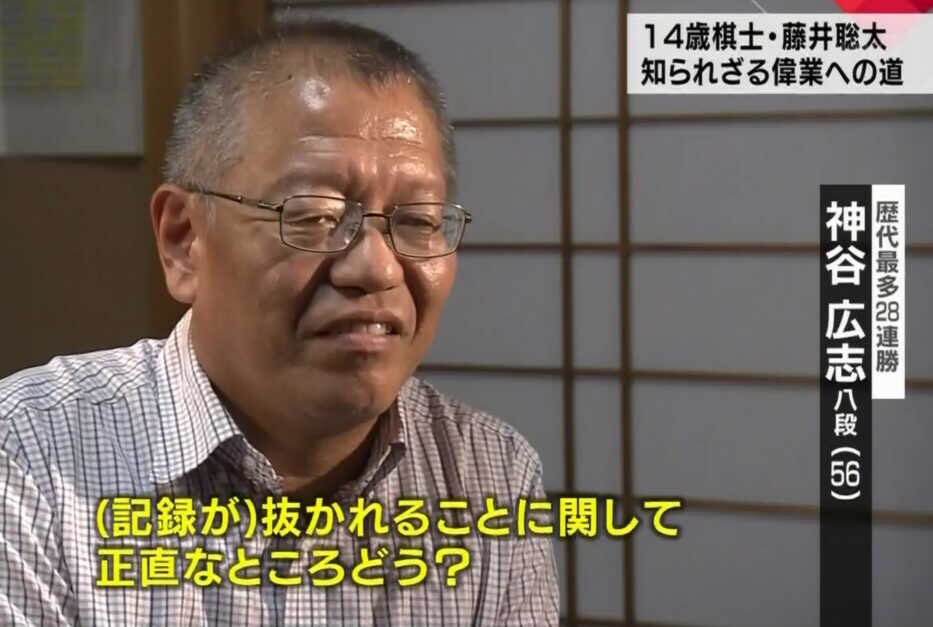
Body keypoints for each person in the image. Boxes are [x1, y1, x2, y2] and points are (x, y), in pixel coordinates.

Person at [0, 19, 559, 626]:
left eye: (419, 222)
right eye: (315, 216)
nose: (376, 268)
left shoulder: (490, 472)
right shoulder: (29, 457)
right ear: (184, 240)